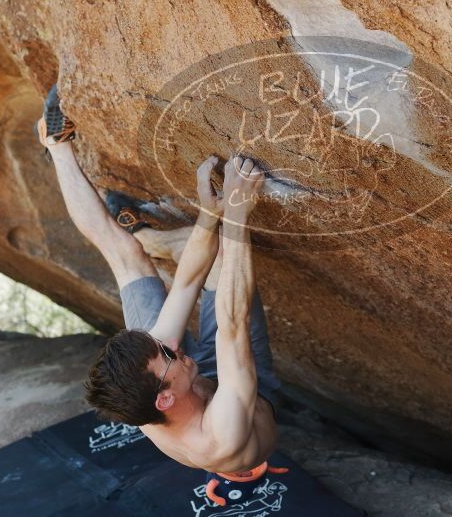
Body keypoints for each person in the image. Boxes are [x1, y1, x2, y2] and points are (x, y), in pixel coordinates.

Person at [35, 85, 281, 474]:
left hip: (194, 382)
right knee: (223, 255)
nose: (172, 345)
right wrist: (237, 210)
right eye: (167, 353)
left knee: (127, 257)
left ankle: (57, 145)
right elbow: (230, 329)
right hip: (243, 392)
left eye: (161, 347)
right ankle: (156, 238)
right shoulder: (221, 437)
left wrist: (209, 212)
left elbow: (185, 285)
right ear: (164, 400)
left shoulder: (154, 370)